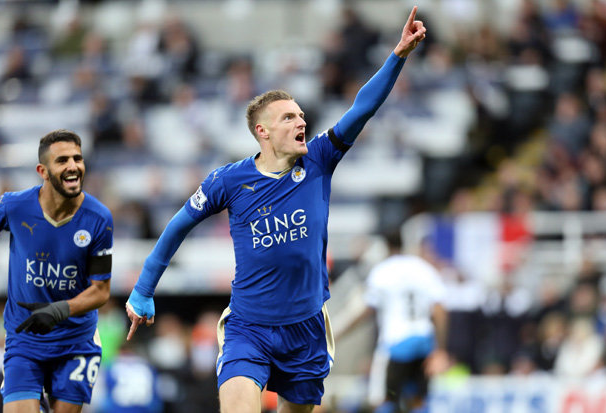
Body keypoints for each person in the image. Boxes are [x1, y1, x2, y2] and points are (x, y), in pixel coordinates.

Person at [125, 6, 426, 413]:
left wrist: (398, 56)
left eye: (301, 114)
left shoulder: (319, 159)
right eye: (288, 117)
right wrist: (144, 288)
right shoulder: (228, 181)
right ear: (262, 132)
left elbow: (362, 108)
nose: (301, 120)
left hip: (306, 329)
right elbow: (178, 225)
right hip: (250, 328)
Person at [0, 129, 113, 413]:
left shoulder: (99, 218)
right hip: (24, 340)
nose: (73, 166)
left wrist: (58, 310)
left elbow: (101, 290)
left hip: (76, 342)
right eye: (63, 160)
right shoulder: (14, 206)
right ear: (42, 171)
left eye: (77, 159)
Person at [336, 233, 449, 413]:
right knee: (418, 400)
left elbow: (365, 310)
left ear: (385, 247)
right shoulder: (423, 268)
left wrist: (337, 334)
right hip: (424, 339)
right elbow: (439, 309)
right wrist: (440, 348)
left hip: (396, 342)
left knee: (383, 399)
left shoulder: (383, 271)